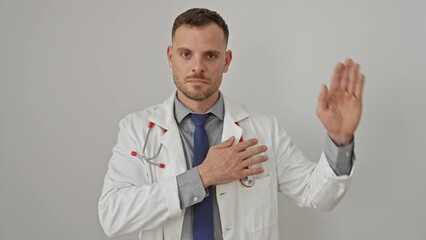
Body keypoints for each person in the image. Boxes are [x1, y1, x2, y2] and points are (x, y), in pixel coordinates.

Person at [98, 7, 365, 240]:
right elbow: (113, 215)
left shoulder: (264, 130)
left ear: (226, 61)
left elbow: (317, 195)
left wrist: (339, 140)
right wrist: (203, 176)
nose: (197, 67)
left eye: (210, 56)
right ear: (170, 57)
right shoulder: (136, 129)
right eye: (186, 54)